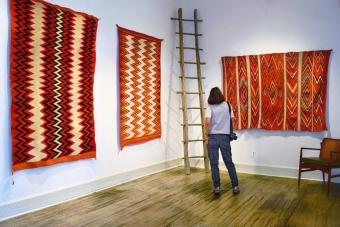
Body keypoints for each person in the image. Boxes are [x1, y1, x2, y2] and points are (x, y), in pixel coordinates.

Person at [205, 87, 240, 195]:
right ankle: (235, 186)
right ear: (220, 94)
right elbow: (232, 120)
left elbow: (207, 122)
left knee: (214, 164)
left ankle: (217, 188)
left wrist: (206, 136)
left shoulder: (210, 107)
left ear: (211, 96)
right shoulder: (228, 105)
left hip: (213, 138)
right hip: (225, 137)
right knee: (229, 162)